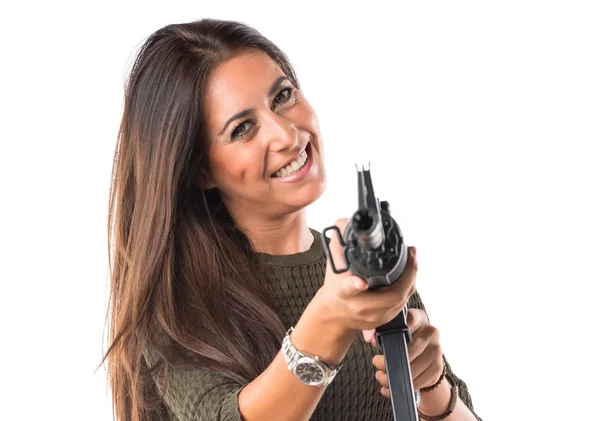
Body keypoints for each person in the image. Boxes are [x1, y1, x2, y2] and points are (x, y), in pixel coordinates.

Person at [100, 18, 482, 421]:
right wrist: (331, 316)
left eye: (282, 96)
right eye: (243, 128)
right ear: (199, 170)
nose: (287, 135)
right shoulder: (177, 308)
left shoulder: (364, 265)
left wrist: (432, 388)